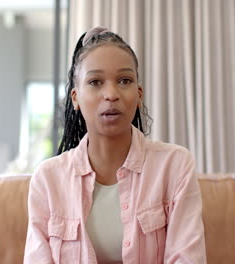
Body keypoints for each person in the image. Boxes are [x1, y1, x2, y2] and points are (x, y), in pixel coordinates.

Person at [23, 27, 207, 264]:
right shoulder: (47, 179)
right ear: (76, 97)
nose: (111, 94)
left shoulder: (175, 165)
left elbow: (188, 259)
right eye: (96, 82)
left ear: (138, 94)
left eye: (124, 80)